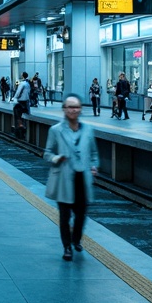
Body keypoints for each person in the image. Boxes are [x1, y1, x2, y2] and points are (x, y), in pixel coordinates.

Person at [44, 94, 99, 260]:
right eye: (70, 107)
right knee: (65, 215)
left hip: (83, 179)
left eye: (76, 107)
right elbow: (47, 153)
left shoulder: (88, 130)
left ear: (80, 109)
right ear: (64, 109)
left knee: (81, 214)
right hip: (63, 179)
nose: (73, 110)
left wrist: (94, 166)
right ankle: (67, 247)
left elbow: (94, 153)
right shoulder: (55, 130)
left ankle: (76, 239)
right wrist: (56, 158)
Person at [12, 72, 31, 137]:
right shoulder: (28, 84)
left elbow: (18, 92)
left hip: (21, 101)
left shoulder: (22, 83)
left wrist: (14, 97)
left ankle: (20, 126)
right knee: (26, 114)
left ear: (22, 76)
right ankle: (25, 126)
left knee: (17, 114)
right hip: (27, 101)